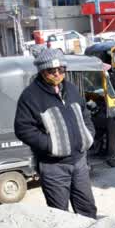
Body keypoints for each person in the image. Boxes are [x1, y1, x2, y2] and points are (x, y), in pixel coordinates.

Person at [14, 49, 98, 218]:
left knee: (87, 209)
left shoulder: (72, 89)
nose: (58, 74)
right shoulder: (30, 96)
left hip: (79, 162)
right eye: (52, 71)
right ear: (42, 71)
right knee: (60, 216)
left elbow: (85, 114)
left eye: (61, 69)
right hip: (53, 167)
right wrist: (52, 146)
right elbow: (23, 129)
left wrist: (88, 135)